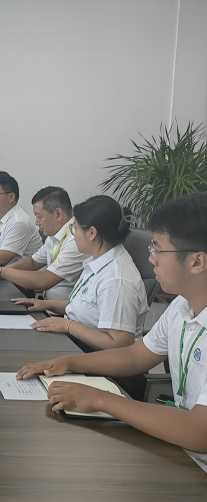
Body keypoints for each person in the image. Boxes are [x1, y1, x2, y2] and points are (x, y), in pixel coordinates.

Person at [17, 192, 207, 473]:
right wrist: (68, 362)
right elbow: (135, 356)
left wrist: (100, 400)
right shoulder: (182, 305)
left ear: (197, 262)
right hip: (179, 450)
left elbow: (199, 431)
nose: (151, 259)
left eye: (158, 250)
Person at [11, 195, 148, 351]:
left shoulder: (116, 280)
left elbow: (118, 344)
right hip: (75, 344)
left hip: (94, 358)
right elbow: (86, 306)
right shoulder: (97, 260)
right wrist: (47, 304)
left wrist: (68, 325)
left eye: (74, 228)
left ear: (91, 233)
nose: (73, 233)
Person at [0, 186, 88, 300]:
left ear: (58, 214)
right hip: (46, 303)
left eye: (39, 217)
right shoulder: (54, 235)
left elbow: (45, 280)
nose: (36, 222)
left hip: (62, 311)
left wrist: (1, 272)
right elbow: (33, 262)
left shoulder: (75, 240)